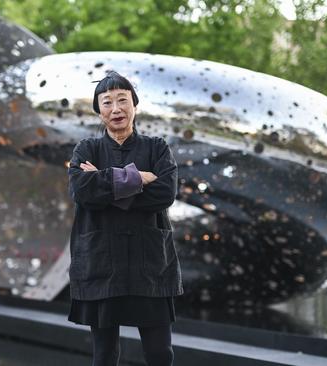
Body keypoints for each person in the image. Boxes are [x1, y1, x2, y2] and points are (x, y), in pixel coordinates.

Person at [67, 71, 183, 366]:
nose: (116, 109)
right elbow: (82, 191)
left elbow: (164, 194)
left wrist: (104, 183)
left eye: (122, 100)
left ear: (135, 105)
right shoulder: (86, 148)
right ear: (98, 110)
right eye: (107, 102)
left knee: (160, 353)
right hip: (102, 261)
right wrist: (139, 178)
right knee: (104, 355)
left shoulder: (157, 147)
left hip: (149, 262)